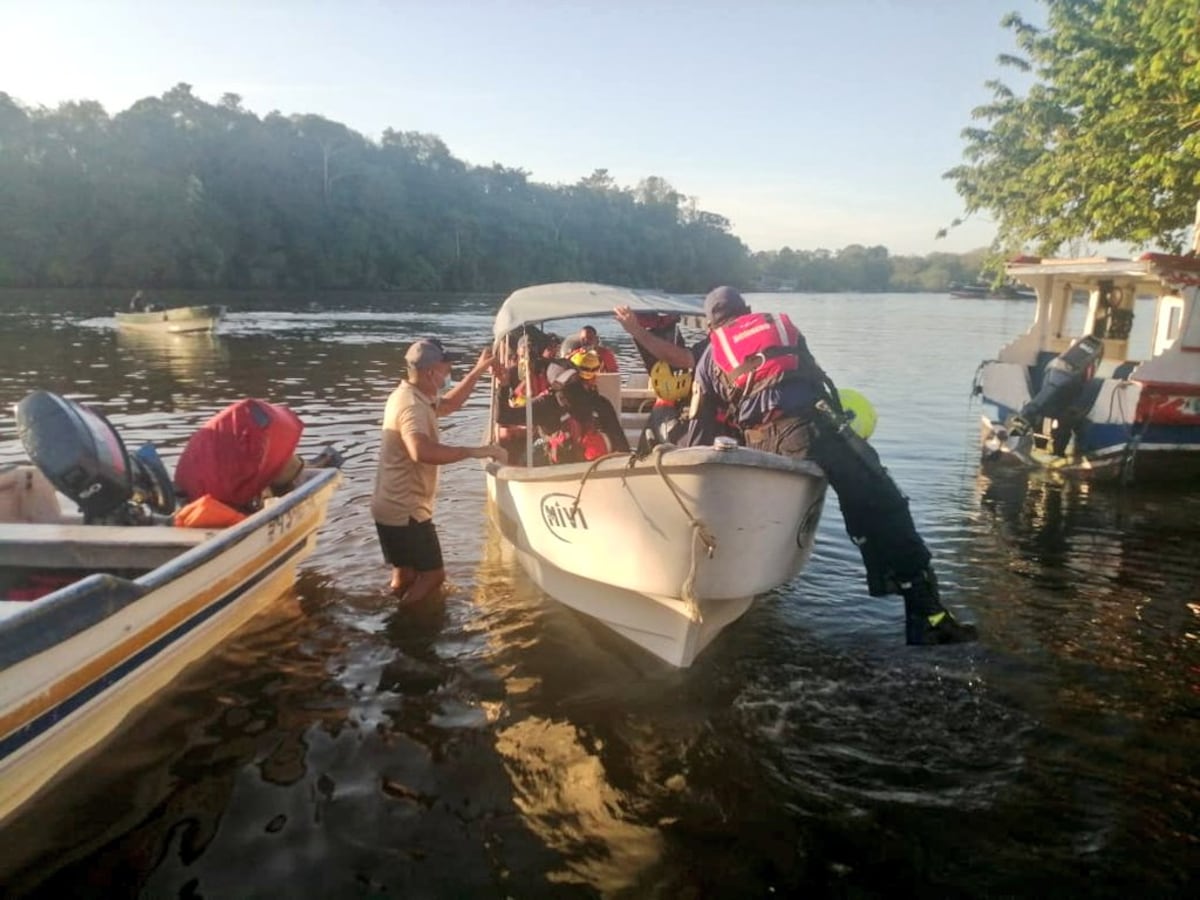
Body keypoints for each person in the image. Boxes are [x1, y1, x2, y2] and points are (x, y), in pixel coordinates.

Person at [688, 286, 976, 646]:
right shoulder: (782, 328)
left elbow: (699, 426)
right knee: (885, 505)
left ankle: (739, 575)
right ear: (747, 310)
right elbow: (817, 380)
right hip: (825, 429)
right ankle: (931, 615)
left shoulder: (712, 354)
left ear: (711, 326)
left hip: (773, 441)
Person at [371, 338, 507, 603]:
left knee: (406, 575)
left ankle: (392, 611)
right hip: (406, 509)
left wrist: (478, 371)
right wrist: (474, 451)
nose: (449, 374)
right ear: (431, 372)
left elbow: (449, 405)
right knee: (434, 576)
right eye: (446, 368)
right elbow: (420, 451)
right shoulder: (412, 406)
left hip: (388, 505)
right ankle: (403, 623)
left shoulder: (412, 394)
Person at [497, 357, 629, 464]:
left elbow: (502, 417)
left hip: (558, 471)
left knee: (523, 458)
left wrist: (503, 386)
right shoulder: (600, 402)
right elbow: (623, 447)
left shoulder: (545, 404)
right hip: (594, 471)